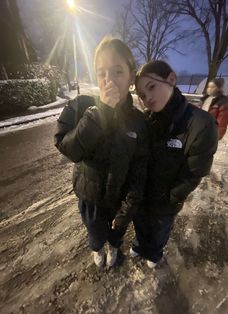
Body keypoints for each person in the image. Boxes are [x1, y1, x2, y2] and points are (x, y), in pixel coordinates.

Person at [54, 37, 148, 268]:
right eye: (101, 72)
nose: (109, 80)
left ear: (131, 76)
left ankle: (114, 247)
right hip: (90, 197)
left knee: (117, 231)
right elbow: (68, 148)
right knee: (95, 232)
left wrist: (128, 208)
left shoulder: (139, 121)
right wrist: (100, 113)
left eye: (117, 71)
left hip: (120, 198)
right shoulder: (82, 106)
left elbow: (140, 170)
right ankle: (97, 248)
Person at [130, 60, 218, 268]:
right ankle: (140, 243)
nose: (147, 98)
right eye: (142, 95)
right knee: (140, 221)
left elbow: (194, 173)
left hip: (166, 200)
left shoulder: (201, 124)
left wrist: (171, 198)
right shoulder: (146, 120)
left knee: (160, 228)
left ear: (171, 79)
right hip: (142, 194)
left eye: (151, 87)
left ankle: (154, 251)